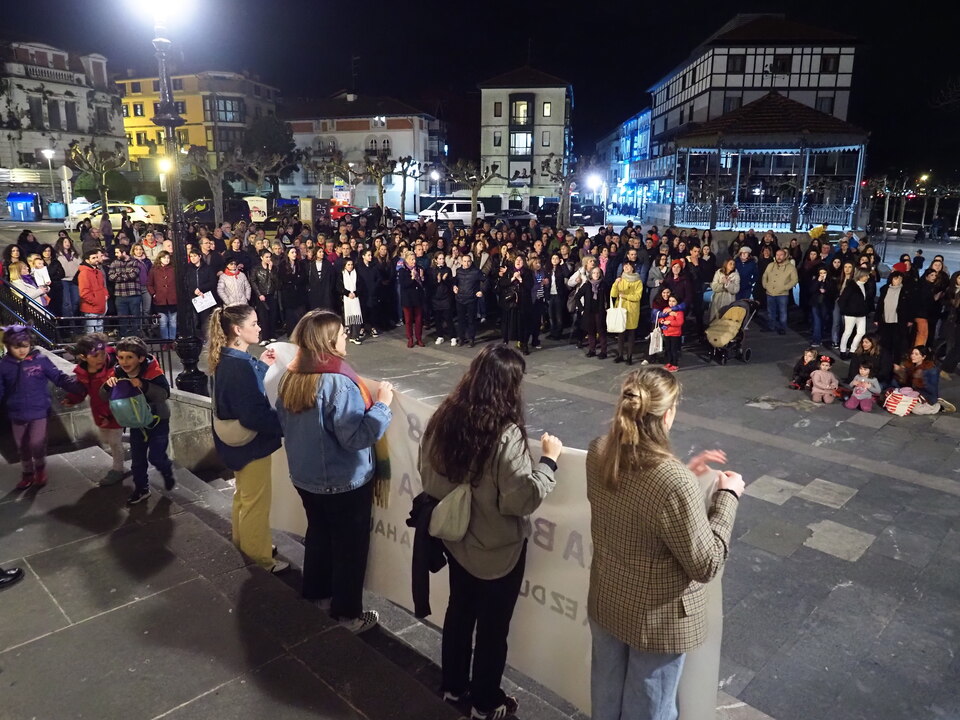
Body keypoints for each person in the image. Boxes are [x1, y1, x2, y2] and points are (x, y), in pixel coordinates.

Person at [586, 367, 742, 720]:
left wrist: (686, 475)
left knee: (605, 695)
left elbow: (637, 497)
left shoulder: (600, 450)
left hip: (607, 598)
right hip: (656, 618)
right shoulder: (672, 481)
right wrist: (727, 498)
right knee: (649, 707)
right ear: (668, 414)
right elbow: (706, 564)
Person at [419, 345, 562, 720]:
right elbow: (520, 499)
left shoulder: (444, 417)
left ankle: (453, 686)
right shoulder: (506, 434)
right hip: (499, 551)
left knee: (459, 611)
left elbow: (427, 475)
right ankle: (485, 702)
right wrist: (549, 463)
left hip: (456, 540)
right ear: (510, 386)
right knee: (492, 629)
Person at [275, 310, 394, 632]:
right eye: (342, 334)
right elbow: (355, 438)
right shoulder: (338, 382)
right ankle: (347, 616)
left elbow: (282, 423)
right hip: (344, 481)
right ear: (328, 341)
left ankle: (317, 598)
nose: (346, 338)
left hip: (305, 478)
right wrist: (383, 405)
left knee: (319, 536)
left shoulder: (291, 375)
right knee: (349, 550)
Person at [208, 305, 288, 574]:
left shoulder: (224, 357)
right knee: (256, 503)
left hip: (233, 444)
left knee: (243, 496)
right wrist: (288, 425)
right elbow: (253, 414)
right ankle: (260, 558)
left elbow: (242, 394)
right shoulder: (239, 365)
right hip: (251, 445)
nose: (259, 327)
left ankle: (245, 542)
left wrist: (261, 366)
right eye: (253, 324)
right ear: (237, 330)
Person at [0, 325, 83, 489]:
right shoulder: (4, 365)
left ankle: (40, 470)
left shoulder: (40, 360)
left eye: (25, 346)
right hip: (16, 412)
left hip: (39, 411)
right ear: (8, 346)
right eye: (17, 347)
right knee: (22, 446)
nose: (22, 350)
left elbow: (59, 377)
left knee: (37, 444)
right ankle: (27, 473)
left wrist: (78, 387)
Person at [100, 336, 175, 505]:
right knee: (137, 459)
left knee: (156, 457)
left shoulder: (153, 373)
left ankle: (166, 469)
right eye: (121, 357)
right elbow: (103, 396)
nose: (124, 362)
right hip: (135, 422)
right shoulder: (118, 373)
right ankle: (142, 489)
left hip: (157, 421)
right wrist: (107, 386)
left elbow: (164, 394)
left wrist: (143, 385)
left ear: (140, 358)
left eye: (129, 357)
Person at [64, 333, 129, 486]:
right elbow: (81, 389)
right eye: (95, 356)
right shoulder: (83, 373)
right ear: (83, 357)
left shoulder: (114, 367)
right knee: (106, 439)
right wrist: (71, 399)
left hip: (116, 409)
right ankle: (131, 440)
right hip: (99, 411)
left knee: (114, 442)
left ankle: (118, 469)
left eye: (102, 354)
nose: (100, 358)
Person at [610, 261, 644, 364]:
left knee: (631, 334)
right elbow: (613, 294)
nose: (626, 267)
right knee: (621, 333)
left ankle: (629, 357)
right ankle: (620, 355)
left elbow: (637, 296)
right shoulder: (620, 279)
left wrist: (625, 296)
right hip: (621, 308)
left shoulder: (638, 281)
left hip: (632, 310)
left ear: (633, 268)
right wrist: (616, 283)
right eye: (625, 266)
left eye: (628, 266)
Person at [838, 269, 873, 359]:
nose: (868, 277)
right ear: (861, 275)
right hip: (851, 314)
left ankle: (853, 350)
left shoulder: (864, 285)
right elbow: (842, 300)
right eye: (866, 275)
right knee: (848, 332)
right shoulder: (851, 286)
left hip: (861, 313)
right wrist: (846, 310)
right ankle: (843, 351)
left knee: (861, 332)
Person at [761, 248, 798, 335]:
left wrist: (785, 287)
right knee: (771, 311)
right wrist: (765, 285)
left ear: (785, 256)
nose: (779, 257)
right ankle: (771, 326)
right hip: (770, 292)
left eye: (781, 255)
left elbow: (794, 280)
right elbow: (765, 275)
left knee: (782, 312)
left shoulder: (790, 267)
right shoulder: (771, 265)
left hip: (782, 294)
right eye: (777, 255)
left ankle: (782, 328)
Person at [577, 266, 610, 359]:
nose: (596, 274)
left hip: (600, 311)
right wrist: (582, 309)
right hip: (589, 311)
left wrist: (607, 307)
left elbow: (609, 297)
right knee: (591, 331)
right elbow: (577, 297)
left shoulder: (604, 285)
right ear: (591, 274)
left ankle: (603, 351)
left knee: (601, 331)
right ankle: (592, 350)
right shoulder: (587, 285)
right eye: (594, 273)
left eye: (598, 273)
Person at [147, 251, 177, 344]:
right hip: (160, 300)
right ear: (160, 259)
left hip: (173, 299)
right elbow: (149, 284)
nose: (166, 260)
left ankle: (172, 341)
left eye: (168, 258)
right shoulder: (154, 270)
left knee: (173, 322)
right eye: (164, 258)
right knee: (163, 323)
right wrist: (154, 294)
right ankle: (165, 342)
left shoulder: (174, 269)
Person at [453, 253, 483, 347]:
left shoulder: (476, 272)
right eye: (464, 261)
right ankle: (461, 338)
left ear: (471, 262)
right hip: (460, 299)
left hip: (471, 299)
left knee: (471, 320)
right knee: (461, 320)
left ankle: (471, 339)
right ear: (461, 262)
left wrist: (481, 291)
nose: (466, 263)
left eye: (468, 261)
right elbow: (455, 281)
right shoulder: (458, 271)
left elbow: (486, 280)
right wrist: (454, 286)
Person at [250, 249, 280, 344]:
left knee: (272, 315)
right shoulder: (256, 268)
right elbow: (253, 281)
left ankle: (272, 335)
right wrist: (259, 294)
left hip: (272, 294)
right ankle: (264, 337)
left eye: (269, 257)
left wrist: (270, 271)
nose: (268, 259)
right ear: (261, 257)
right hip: (261, 295)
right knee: (263, 317)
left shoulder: (273, 268)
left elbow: (277, 282)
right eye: (266, 257)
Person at [77, 248, 108, 332]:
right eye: (93, 258)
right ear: (87, 260)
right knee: (91, 332)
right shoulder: (84, 273)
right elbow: (84, 292)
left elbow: (102, 286)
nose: (96, 259)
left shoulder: (98, 272)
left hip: (100, 305)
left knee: (99, 330)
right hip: (91, 307)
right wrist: (95, 301)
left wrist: (105, 296)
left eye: (96, 257)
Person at [399, 251, 426, 348]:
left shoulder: (419, 269)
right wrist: (412, 278)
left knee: (419, 319)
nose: (414, 261)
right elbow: (404, 284)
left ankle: (419, 338)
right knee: (408, 320)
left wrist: (422, 277)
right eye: (411, 259)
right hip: (408, 298)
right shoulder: (402, 270)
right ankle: (410, 338)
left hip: (418, 297)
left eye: (414, 259)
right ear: (406, 260)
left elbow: (423, 283)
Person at [660, 295, 685, 372]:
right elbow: (661, 317)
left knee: (674, 350)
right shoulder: (666, 309)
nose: (671, 303)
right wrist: (661, 320)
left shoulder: (679, 312)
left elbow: (680, 322)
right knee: (668, 349)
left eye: (673, 301)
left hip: (675, 334)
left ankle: (675, 364)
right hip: (666, 333)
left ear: (677, 302)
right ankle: (669, 362)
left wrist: (670, 322)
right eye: (670, 301)